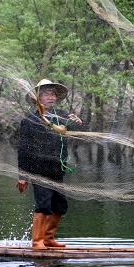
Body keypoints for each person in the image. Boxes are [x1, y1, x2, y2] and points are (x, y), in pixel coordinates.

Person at [17, 78, 83, 249]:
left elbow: (77, 131)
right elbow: (23, 151)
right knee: (43, 204)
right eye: (46, 94)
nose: (51, 97)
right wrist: (23, 177)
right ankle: (37, 241)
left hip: (57, 169)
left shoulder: (62, 116)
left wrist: (77, 122)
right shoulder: (29, 120)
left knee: (60, 204)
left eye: (53, 94)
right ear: (38, 98)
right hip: (38, 170)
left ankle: (48, 238)